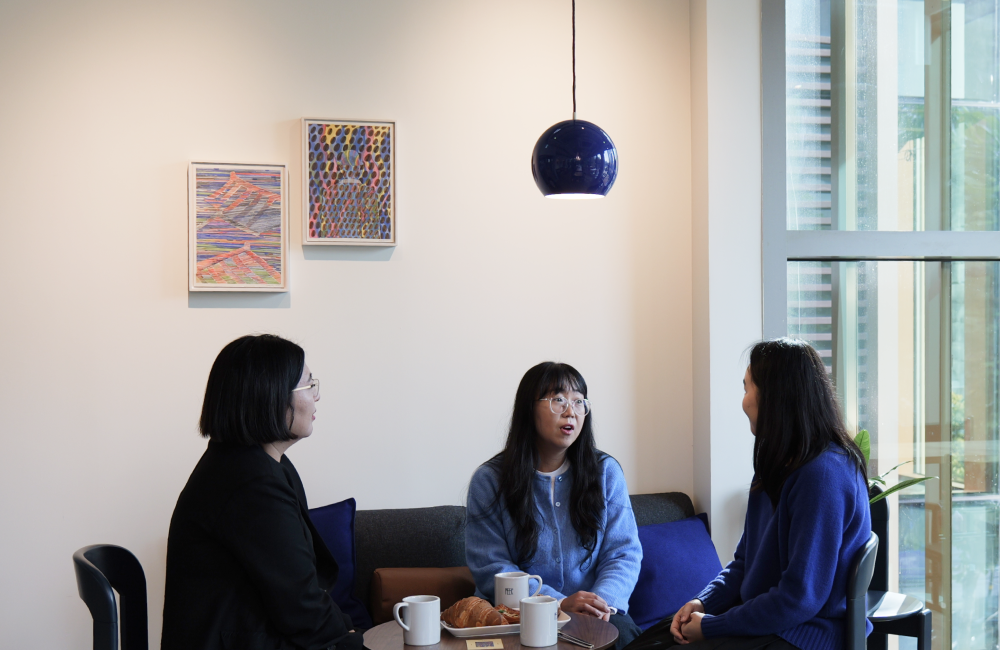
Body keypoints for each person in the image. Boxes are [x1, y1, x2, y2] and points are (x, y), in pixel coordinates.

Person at [625, 338, 872, 650]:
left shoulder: (823, 476)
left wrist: (712, 626)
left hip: (806, 634)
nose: (743, 402)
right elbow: (745, 563)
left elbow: (799, 598)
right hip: (768, 622)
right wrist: (702, 602)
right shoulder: (776, 466)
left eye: (747, 388)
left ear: (775, 395)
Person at [161, 334, 362, 650]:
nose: (317, 396)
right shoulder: (250, 483)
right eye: (308, 386)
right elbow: (301, 606)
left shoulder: (253, 465)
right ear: (270, 396)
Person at [466, 362, 644, 649]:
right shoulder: (489, 480)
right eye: (558, 399)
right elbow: (492, 567)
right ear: (529, 408)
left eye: (579, 401)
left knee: (622, 636)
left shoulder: (605, 472)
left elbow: (623, 553)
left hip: (597, 615)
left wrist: (599, 605)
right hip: (517, 615)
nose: (571, 411)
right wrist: (559, 603)